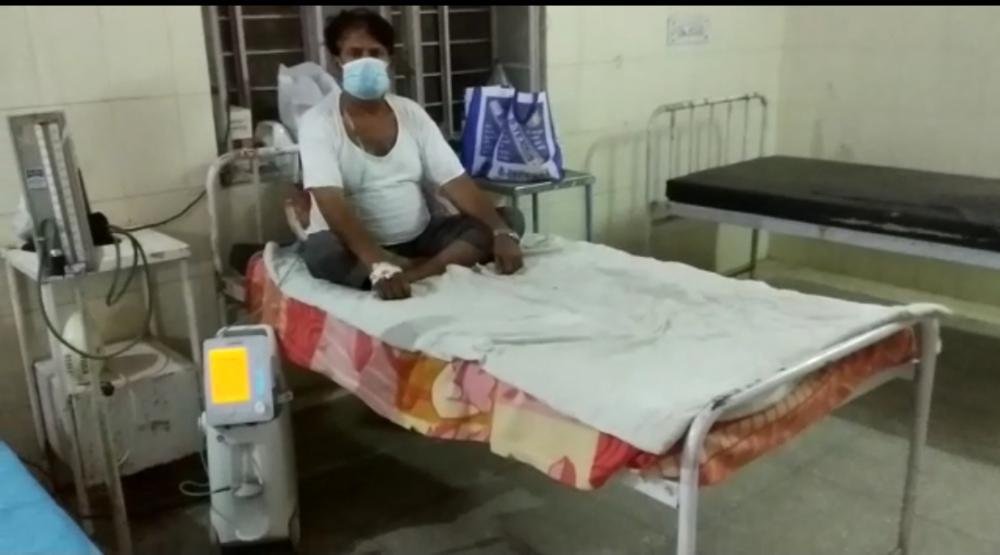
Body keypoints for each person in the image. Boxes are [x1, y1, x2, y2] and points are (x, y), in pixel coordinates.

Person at [297, 8, 525, 301]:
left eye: (375, 53)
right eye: (354, 53)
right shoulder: (318, 122)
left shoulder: (410, 113)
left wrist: (501, 232)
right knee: (322, 253)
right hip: (355, 247)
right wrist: (376, 262)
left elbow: (454, 180)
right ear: (337, 60)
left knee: (508, 219)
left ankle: (416, 273)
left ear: (389, 59)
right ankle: (398, 271)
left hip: (421, 237)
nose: (365, 61)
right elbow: (330, 201)